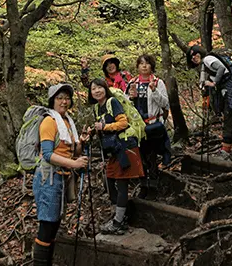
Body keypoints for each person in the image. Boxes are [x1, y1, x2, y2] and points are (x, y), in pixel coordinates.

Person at [33, 83, 89, 266]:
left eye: (67, 98)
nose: (64, 101)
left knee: (55, 223)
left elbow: (71, 152)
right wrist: (74, 164)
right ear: (52, 101)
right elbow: (48, 154)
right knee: (47, 224)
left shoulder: (67, 122)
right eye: (60, 98)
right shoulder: (49, 121)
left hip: (61, 178)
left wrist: (80, 142)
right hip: (48, 178)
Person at [89, 77, 143, 235]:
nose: (97, 91)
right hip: (114, 150)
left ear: (105, 88)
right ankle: (121, 216)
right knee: (109, 180)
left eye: (99, 87)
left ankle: (118, 222)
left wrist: (104, 126)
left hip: (125, 147)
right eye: (93, 89)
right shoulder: (98, 108)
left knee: (121, 184)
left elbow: (123, 123)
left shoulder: (112, 102)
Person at [188, 46, 232, 154]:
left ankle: (225, 150)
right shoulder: (205, 63)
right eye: (191, 56)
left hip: (231, 89)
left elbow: (221, 68)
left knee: (229, 118)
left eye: (196, 54)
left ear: (201, 52)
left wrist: (214, 83)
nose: (194, 57)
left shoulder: (208, 59)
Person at [129, 54, 172, 198]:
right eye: (141, 63)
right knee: (140, 156)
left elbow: (165, 104)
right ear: (137, 66)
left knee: (152, 156)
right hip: (137, 127)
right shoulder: (132, 83)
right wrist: (130, 97)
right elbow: (126, 105)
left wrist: (154, 91)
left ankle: (153, 185)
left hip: (153, 125)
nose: (144, 66)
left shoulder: (158, 82)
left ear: (151, 66)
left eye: (147, 63)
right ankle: (143, 185)